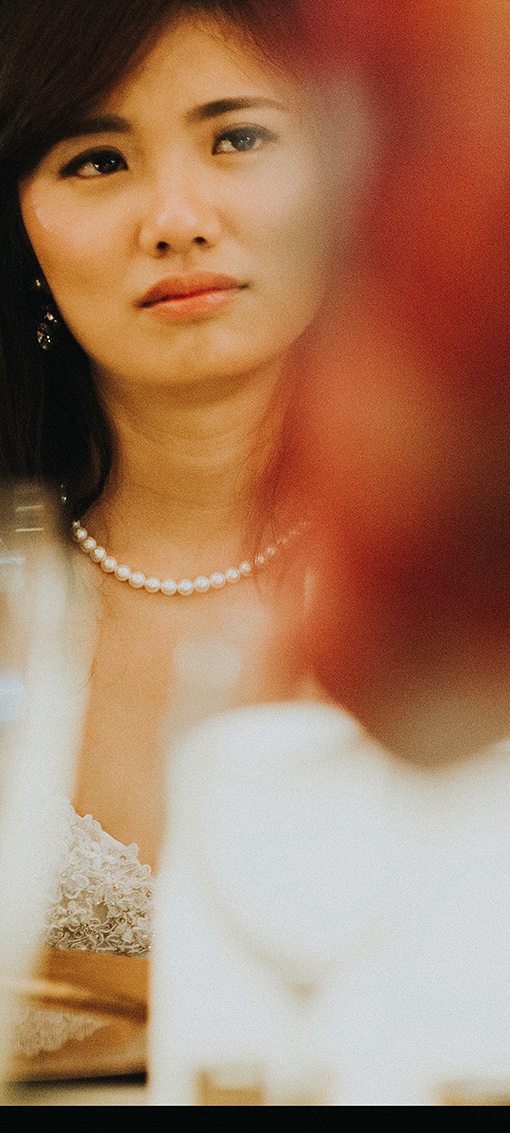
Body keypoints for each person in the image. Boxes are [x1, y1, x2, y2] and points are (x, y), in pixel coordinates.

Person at [1, 0, 327, 1074]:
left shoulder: (499, 586)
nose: (176, 219)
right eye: (97, 161)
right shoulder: (13, 589)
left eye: (239, 138)